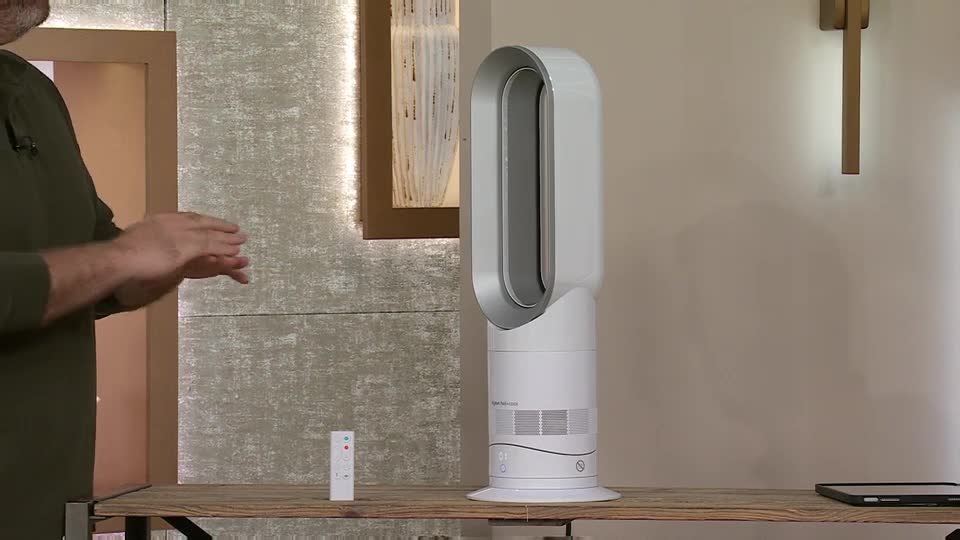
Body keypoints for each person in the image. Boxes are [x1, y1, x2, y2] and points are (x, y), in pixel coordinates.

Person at [1, 1, 250, 537]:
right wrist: (122, 256)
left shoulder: (33, 91)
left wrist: (162, 265)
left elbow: (92, 267)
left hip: (52, 508)